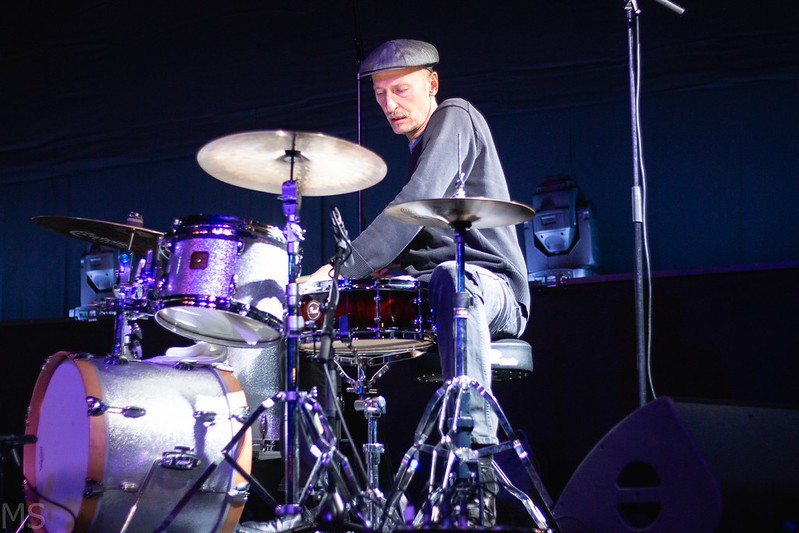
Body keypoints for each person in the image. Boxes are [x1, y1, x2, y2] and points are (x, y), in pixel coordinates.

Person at [307, 38, 531, 527]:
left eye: (400, 90)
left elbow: (418, 201)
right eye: (380, 94)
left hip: (492, 289)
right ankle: (353, 491)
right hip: (441, 288)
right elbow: (424, 235)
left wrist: (343, 269)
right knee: (333, 333)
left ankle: (473, 467)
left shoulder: (455, 115)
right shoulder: (421, 145)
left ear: (433, 83)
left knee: (453, 277)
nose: (389, 104)